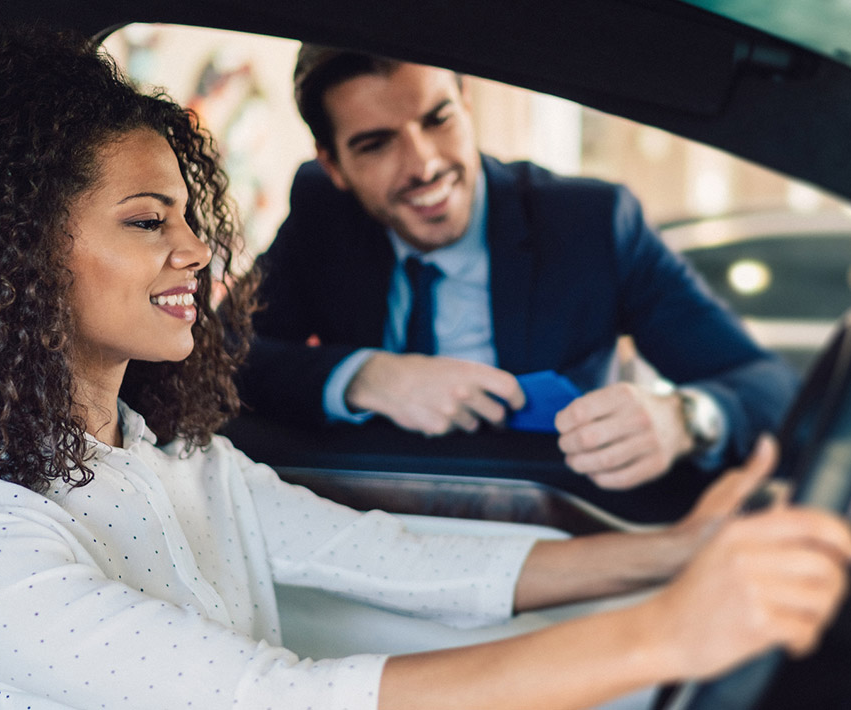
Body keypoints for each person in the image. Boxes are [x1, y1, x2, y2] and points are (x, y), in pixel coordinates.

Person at [0, 27, 851, 710]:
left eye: (189, 217)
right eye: (149, 221)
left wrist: (669, 551)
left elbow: (389, 553)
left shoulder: (167, 457)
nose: (200, 252)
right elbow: (275, 695)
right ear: (13, 256)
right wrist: (667, 629)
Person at [239, 47, 799, 491]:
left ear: (468, 104)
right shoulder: (322, 214)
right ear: (333, 165)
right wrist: (364, 377)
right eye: (376, 144)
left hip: (556, 518)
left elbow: (765, 387)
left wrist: (684, 419)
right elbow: (224, 357)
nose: (425, 165)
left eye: (438, 119)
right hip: (365, 517)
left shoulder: (591, 225)